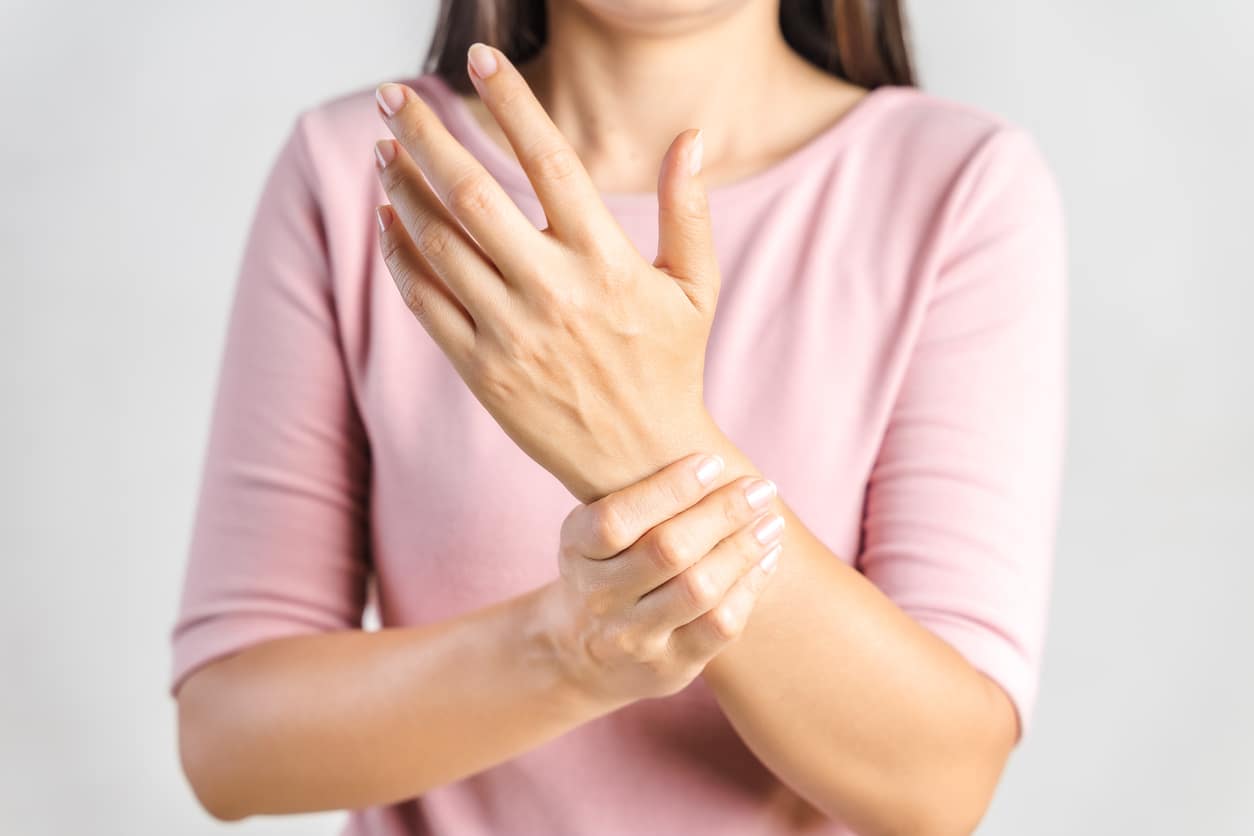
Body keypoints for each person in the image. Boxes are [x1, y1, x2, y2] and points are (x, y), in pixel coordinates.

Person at [171, 1, 1067, 834]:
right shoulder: (360, 170)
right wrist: (569, 653)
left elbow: (941, 780)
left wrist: (646, 435)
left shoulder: (956, 186)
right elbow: (230, 741)